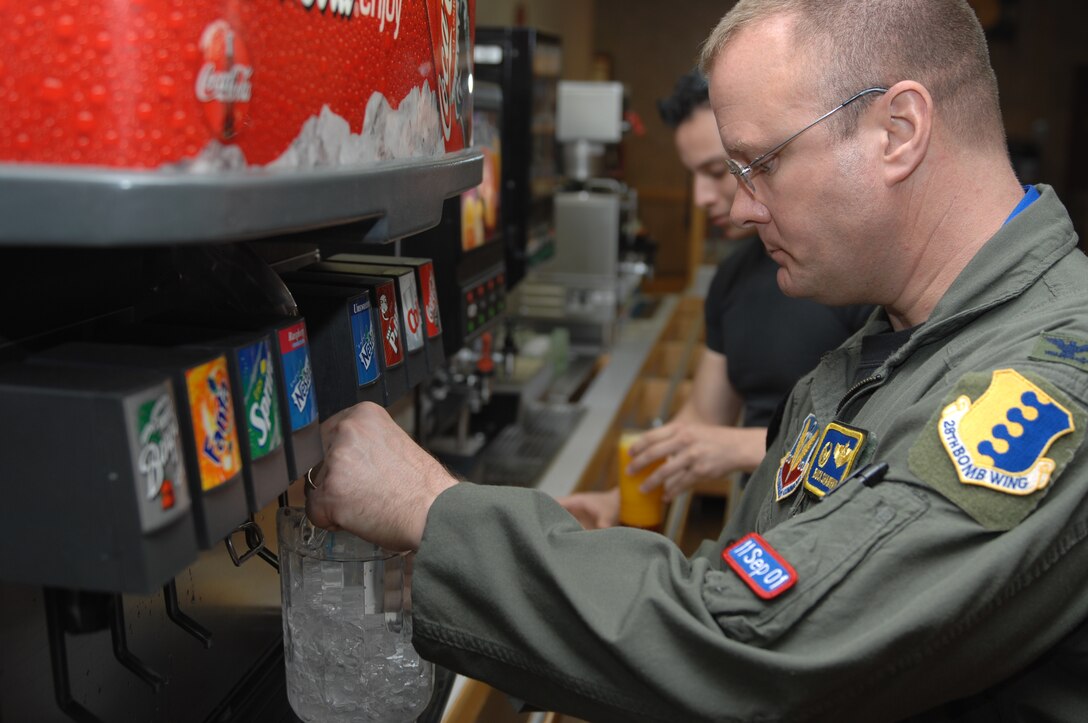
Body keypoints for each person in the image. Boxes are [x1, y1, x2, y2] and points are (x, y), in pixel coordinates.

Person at [306, 1, 1088, 720]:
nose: (742, 208)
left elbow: (761, 646)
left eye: (762, 164)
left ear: (898, 130)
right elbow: (762, 571)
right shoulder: (884, 346)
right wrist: (580, 554)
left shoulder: (1049, 384)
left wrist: (432, 507)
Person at [559, 70, 871, 530]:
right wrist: (617, 498)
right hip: (761, 530)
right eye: (694, 176)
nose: (702, 197)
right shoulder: (732, 278)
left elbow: (876, 438)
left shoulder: (855, 275)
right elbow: (704, 416)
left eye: (717, 172)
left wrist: (734, 447)